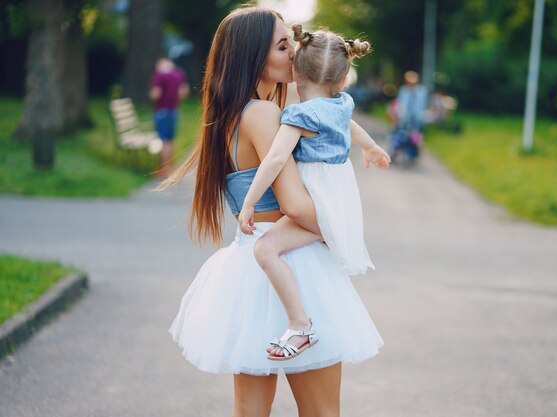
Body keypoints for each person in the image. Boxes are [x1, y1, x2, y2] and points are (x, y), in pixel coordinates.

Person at [160, 6, 383, 416]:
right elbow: (296, 206)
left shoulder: (231, 115)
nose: (294, 54)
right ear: (252, 57)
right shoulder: (264, 114)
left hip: (250, 267)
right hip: (294, 265)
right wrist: (340, 226)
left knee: (249, 411)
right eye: (283, 46)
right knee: (321, 412)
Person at [238, 24, 390, 361]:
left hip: (316, 203)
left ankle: (299, 325)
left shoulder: (299, 114)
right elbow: (352, 127)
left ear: (296, 71)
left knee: (265, 251)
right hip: (339, 201)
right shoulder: (340, 104)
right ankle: (299, 322)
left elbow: (276, 158)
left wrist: (249, 201)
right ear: (341, 80)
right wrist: (372, 147)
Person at [149, 57, 189, 178]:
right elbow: (184, 92)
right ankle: (170, 167)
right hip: (174, 110)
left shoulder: (160, 76)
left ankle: (164, 170)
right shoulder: (178, 74)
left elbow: (155, 94)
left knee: (163, 141)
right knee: (170, 140)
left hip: (162, 111)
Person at [389, 70, 428, 164]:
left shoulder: (422, 91)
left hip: (417, 119)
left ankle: (413, 155)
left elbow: (422, 105)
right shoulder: (404, 90)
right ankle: (395, 152)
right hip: (404, 118)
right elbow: (400, 104)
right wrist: (398, 115)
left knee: (415, 137)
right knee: (399, 135)